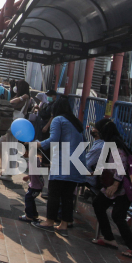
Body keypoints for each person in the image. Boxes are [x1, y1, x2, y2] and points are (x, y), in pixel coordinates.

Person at [31, 95, 87, 235]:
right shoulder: (76, 122)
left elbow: (54, 139)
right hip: (77, 162)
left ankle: (49, 221)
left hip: (64, 161)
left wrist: (39, 144)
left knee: (54, 192)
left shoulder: (58, 119)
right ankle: (64, 224)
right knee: (68, 196)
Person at [91, 121, 132, 258]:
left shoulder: (116, 148)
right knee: (98, 204)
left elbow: (121, 166)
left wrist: (115, 185)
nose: (96, 132)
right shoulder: (112, 145)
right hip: (114, 186)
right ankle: (109, 238)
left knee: (118, 215)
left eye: (98, 130)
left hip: (121, 188)